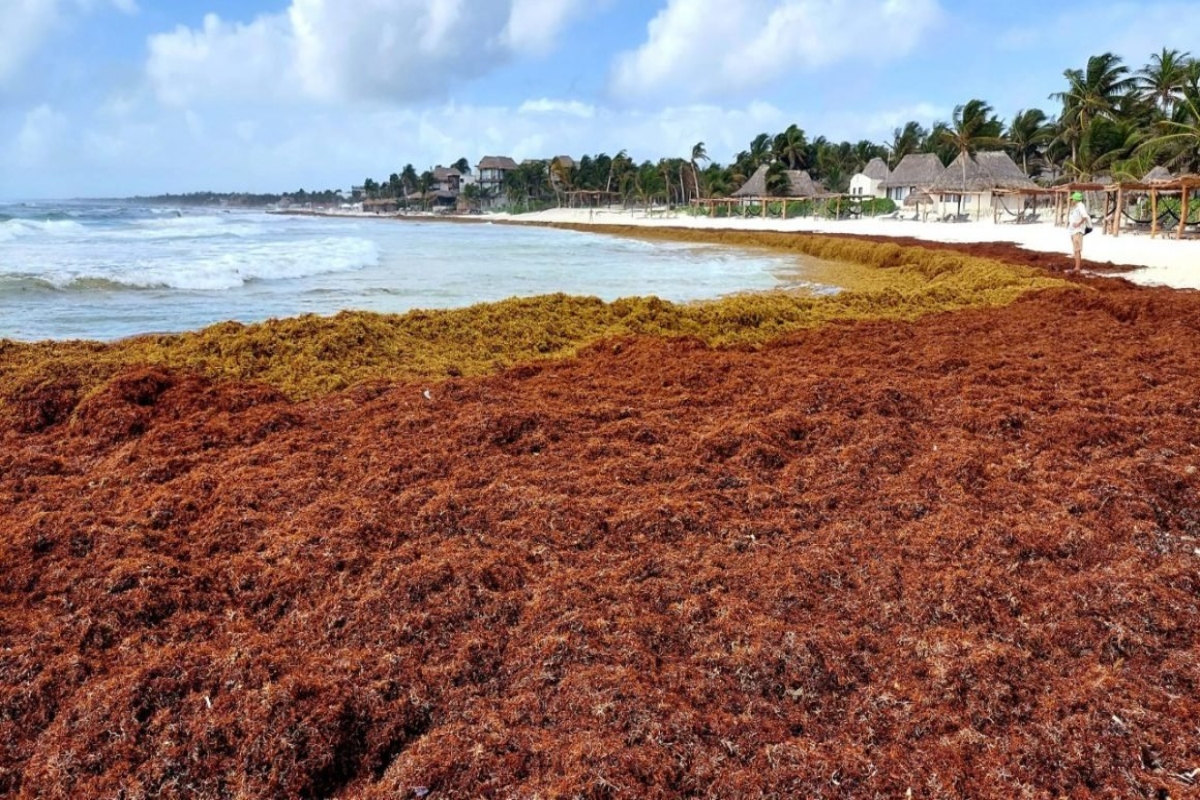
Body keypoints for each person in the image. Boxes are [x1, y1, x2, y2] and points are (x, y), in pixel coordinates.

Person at [1067, 191, 1090, 273]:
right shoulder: (1077, 207)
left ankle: (1077, 267)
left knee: (1077, 250)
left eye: (1073, 199)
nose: (1072, 201)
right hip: (1073, 231)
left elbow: (1085, 216)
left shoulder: (1080, 206)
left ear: (1076, 199)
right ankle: (1076, 266)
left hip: (1077, 231)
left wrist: (1078, 224)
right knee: (1075, 250)